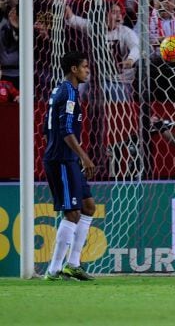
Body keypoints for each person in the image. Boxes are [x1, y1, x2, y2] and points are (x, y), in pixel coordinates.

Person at [42, 51, 97, 281]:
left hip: (67, 158)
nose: (87, 71)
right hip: (62, 159)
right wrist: (84, 156)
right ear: (74, 69)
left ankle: (73, 264)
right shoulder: (70, 93)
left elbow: (49, 127)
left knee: (88, 206)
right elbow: (65, 130)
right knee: (72, 212)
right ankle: (54, 270)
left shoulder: (61, 89)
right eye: (85, 66)